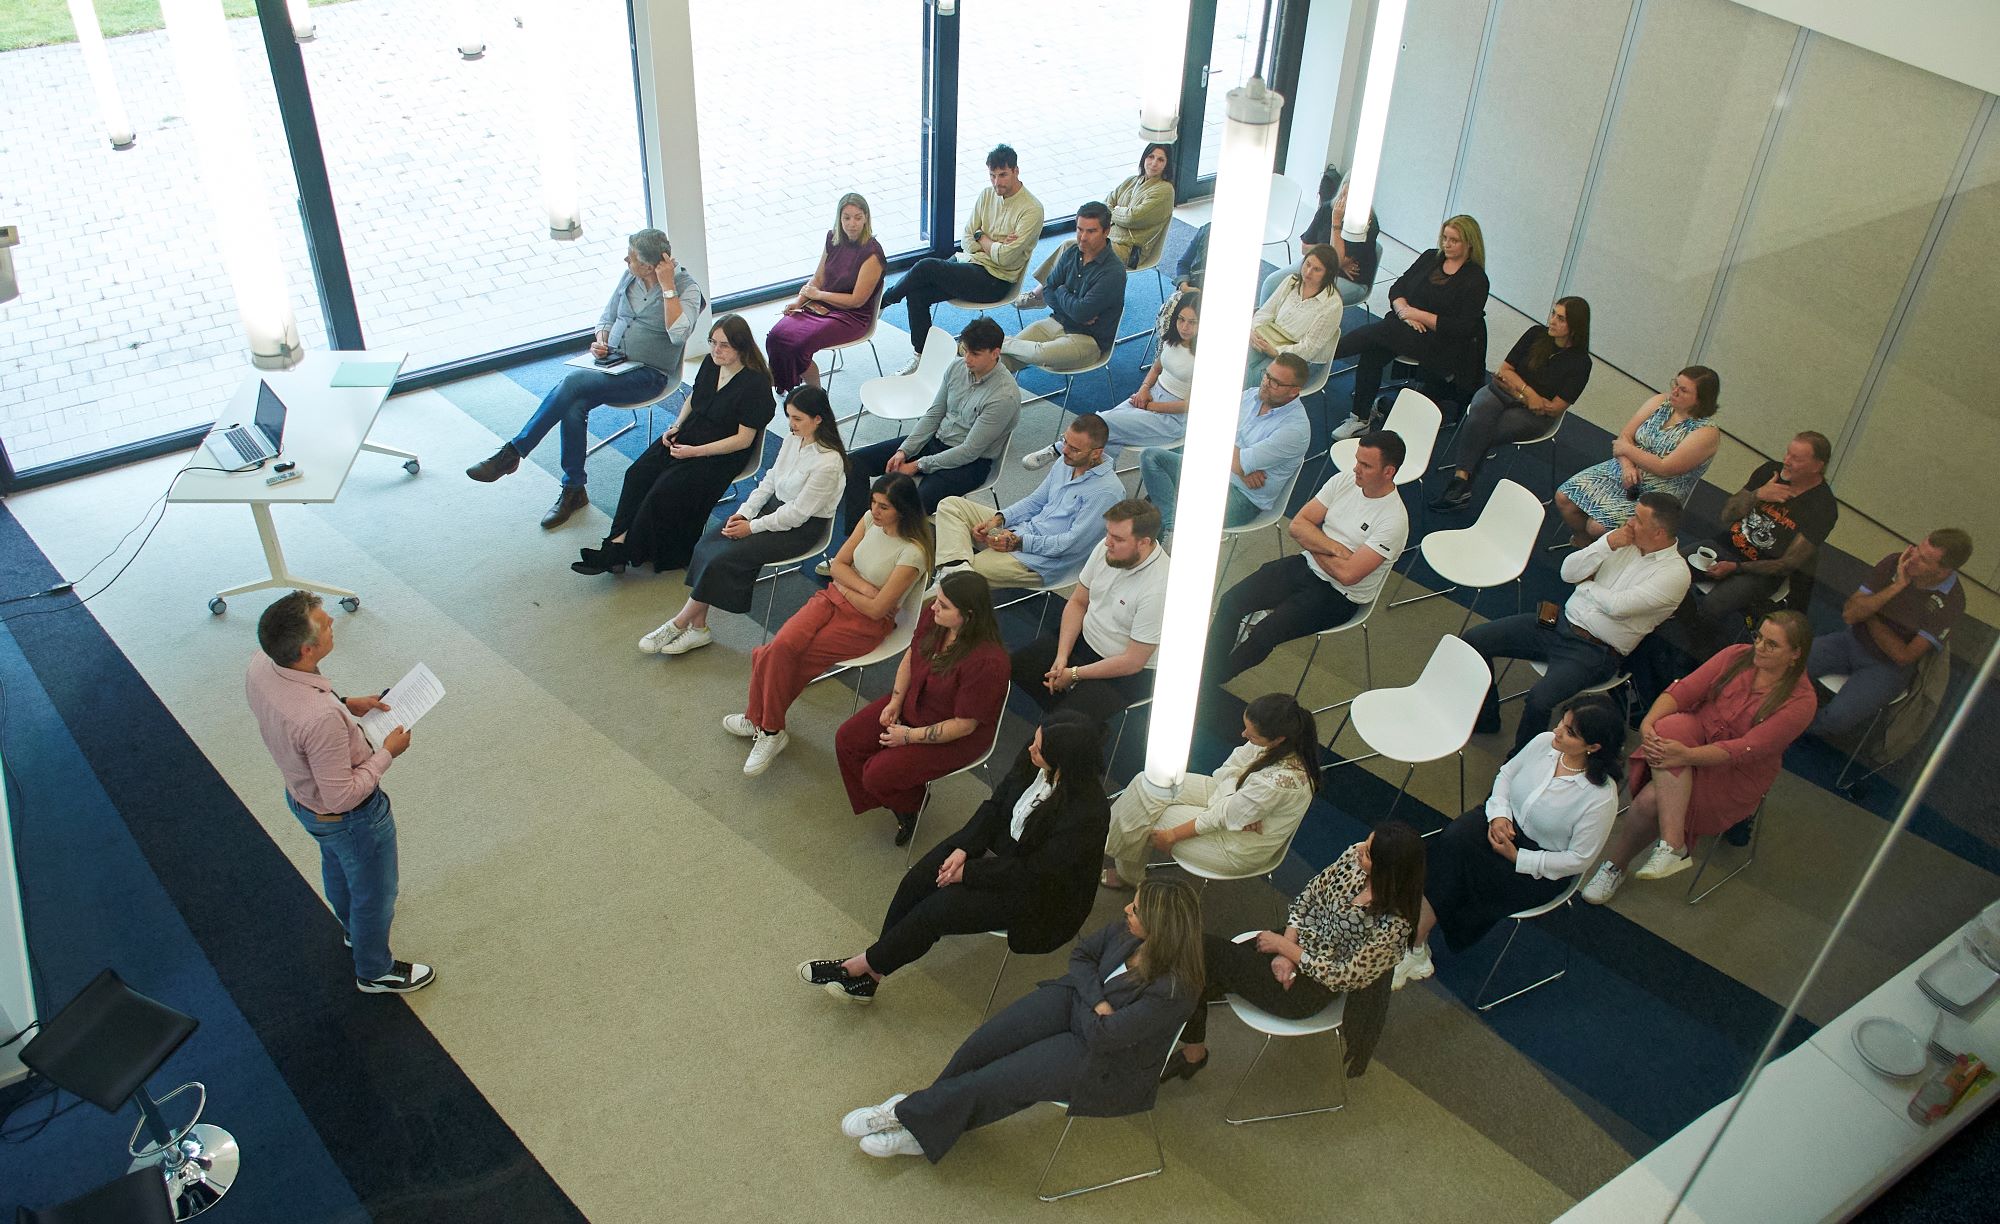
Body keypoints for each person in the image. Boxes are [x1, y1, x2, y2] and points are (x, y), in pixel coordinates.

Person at [838, 878, 1204, 1161]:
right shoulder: (1127, 931)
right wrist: (1096, 1000)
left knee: (999, 1078)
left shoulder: (1175, 989)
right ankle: (931, 1120)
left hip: (1101, 1058)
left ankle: (908, 1113)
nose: (1126, 908)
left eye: (1136, 909)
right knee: (983, 1045)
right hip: (1079, 1005)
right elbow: (1081, 957)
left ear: (1159, 926)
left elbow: (1104, 1038)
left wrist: (1088, 999)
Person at [802, 711, 1111, 1002]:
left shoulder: (1087, 815)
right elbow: (997, 803)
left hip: (1039, 893)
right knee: (916, 882)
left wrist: (968, 873)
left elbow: (1034, 873)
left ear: (1064, 763)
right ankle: (873, 975)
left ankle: (859, 966)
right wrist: (965, 847)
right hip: (1007, 849)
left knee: (939, 910)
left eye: (1040, 748)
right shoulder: (1035, 754)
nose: (1030, 748)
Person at [243, 591, 432, 994]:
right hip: (352, 819)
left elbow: (299, 715)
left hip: (302, 800)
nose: (332, 623)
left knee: (337, 866)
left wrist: (347, 704)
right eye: (325, 623)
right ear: (308, 649)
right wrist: (386, 754)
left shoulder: (262, 664)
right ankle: (374, 971)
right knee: (376, 895)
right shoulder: (321, 719)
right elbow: (342, 797)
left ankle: (351, 930)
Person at [467, 228, 706, 529]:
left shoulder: (686, 288)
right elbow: (607, 317)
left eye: (631, 258)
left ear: (648, 265)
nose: (625, 260)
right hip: (612, 363)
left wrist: (667, 287)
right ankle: (573, 489)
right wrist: (601, 339)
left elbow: (679, 335)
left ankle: (514, 453)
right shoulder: (630, 277)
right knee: (573, 404)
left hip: (650, 374)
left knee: (573, 385)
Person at [1160, 824, 1423, 1082]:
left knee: (1199, 956)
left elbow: (1344, 977)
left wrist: (1287, 950)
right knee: (1197, 968)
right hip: (1291, 941)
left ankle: (1177, 1040)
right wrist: (1285, 950)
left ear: (1388, 872)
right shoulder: (1354, 859)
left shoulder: (1395, 926)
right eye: (1365, 843)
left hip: (1310, 987)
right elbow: (1309, 895)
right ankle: (1185, 1043)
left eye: (1367, 853)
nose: (1358, 851)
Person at [1584, 612, 1815, 900]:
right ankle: (1672, 844)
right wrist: (1648, 724)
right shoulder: (1737, 655)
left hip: (1733, 772)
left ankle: (1620, 865)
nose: (1759, 647)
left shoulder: (1801, 702)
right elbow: (1684, 691)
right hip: (1697, 736)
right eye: (1759, 637)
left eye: (1772, 645)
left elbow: (1744, 749)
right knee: (1668, 725)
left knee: (1650, 800)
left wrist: (1686, 755)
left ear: (1795, 654)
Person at [1397, 698, 1622, 988]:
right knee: (1453, 841)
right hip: (1502, 822)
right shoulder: (1544, 743)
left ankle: (1414, 942)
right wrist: (1499, 816)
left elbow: (1579, 859)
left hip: (1538, 865)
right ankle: (1416, 943)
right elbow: (1506, 774)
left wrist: (1519, 858)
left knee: (1462, 868)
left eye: (1568, 732)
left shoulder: (1600, 797)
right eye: (1561, 723)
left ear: (1593, 747)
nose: (1556, 731)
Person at [727, 473, 932, 777]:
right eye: (873, 502)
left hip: (863, 624)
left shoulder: (913, 552)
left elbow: (877, 611)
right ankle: (766, 724)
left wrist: (846, 583)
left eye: (884, 507)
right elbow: (837, 565)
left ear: (903, 510)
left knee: (782, 659)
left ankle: (764, 725)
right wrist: (859, 587)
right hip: (831, 599)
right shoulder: (867, 520)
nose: (875, 511)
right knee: (778, 649)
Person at [1465, 491, 1690, 754]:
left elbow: (1619, 607)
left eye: (1638, 520)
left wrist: (1586, 588)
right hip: (1557, 622)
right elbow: (1568, 572)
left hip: (1594, 650)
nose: (1629, 522)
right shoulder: (1619, 540)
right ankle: (1486, 718)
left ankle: (1520, 761)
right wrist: (1605, 545)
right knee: (1474, 640)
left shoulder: (1674, 574)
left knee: (1539, 700)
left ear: (1659, 533)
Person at [638, 387, 847, 656]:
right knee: (707, 544)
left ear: (818, 419)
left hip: (802, 529)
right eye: (789, 417)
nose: (791, 425)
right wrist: (745, 513)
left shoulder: (829, 463)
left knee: (724, 557)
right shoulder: (793, 439)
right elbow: (770, 480)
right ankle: (698, 626)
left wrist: (752, 527)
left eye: (797, 419)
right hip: (772, 512)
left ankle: (679, 622)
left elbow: (797, 515)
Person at [571, 314, 775, 576]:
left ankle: (624, 551)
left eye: (724, 345)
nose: (716, 350)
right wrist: (676, 426)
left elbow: (743, 440)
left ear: (741, 347)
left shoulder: (755, 385)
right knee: (637, 474)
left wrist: (694, 452)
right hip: (692, 433)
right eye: (712, 342)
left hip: (721, 451)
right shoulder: (712, 363)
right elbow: (694, 396)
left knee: (663, 490)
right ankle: (616, 544)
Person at [1206, 430, 1408, 687]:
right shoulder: (1344, 481)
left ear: (1388, 472)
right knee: (1231, 601)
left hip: (1340, 596)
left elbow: (1348, 576)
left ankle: (1211, 681)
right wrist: (1331, 548)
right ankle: (1207, 670)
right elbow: (1298, 526)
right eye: (1357, 460)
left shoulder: (1393, 521)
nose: (1356, 469)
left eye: (1366, 465)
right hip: (1307, 565)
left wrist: (1313, 540)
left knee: (1266, 632)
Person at [834, 571, 1010, 846]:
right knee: (848, 740)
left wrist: (907, 737)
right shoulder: (935, 615)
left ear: (969, 615)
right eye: (938, 600)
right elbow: (911, 655)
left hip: (955, 735)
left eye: (944, 605)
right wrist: (895, 701)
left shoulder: (988, 663)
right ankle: (901, 794)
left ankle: (911, 803)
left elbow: (964, 725)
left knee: (875, 775)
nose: (934, 606)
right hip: (915, 700)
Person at [828, 318, 1019, 570]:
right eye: (964, 351)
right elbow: (933, 415)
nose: (967, 359)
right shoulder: (956, 368)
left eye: (975, 354)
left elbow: (970, 451)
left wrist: (918, 465)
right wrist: (904, 450)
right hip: (936, 442)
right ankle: (856, 544)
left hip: (970, 464)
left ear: (996, 353)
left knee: (909, 505)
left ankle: (883, 561)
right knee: (855, 463)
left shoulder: (1003, 396)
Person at [1101, 693, 1320, 890]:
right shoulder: (1273, 742)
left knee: (1150, 814)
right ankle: (1115, 850)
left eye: (1252, 736)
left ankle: (1128, 874)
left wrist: (1173, 835)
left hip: (1237, 845)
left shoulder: (1278, 782)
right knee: (1146, 782)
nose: (1244, 735)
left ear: (1278, 739)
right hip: (1227, 801)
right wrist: (1236, 806)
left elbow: (1223, 816)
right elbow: (1225, 771)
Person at [1670, 431, 1837, 658]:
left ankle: (1700, 650)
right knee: (1667, 569)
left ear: (1818, 466)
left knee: (1712, 606)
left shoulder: (1823, 508)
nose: (1787, 460)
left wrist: (1736, 568)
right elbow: (1727, 514)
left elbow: (1787, 564)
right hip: (1726, 546)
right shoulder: (1771, 472)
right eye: (1788, 453)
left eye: (1797, 458)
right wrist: (1758, 494)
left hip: (1762, 571)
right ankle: (1688, 624)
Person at [1010, 500, 1171, 728]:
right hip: (1087, 639)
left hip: (1124, 670)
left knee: (1056, 731)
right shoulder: (1107, 549)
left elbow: (1133, 662)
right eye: (1108, 533)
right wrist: (1062, 657)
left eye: (1118, 539)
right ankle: (1074, 714)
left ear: (1144, 542)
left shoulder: (1160, 588)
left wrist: (1074, 674)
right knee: (1014, 667)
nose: (1108, 542)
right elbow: (1077, 602)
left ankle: (1079, 724)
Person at [1330, 215, 1489, 442]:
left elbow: (1462, 327)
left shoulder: (1476, 280)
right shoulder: (1429, 258)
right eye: (1444, 238)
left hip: (1438, 341)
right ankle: (1360, 419)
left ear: (1470, 244)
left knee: (1379, 334)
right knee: (1374, 349)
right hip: (1402, 327)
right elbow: (1397, 288)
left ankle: (1326, 352)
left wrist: (1418, 315)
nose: (1446, 244)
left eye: (1454, 240)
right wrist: (1404, 312)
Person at [880, 145, 1044, 365]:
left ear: (1016, 171)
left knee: (926, 267)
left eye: (1003, 175)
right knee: (917, 293)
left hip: (996, 280)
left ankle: (885, 300)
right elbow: (967, 237)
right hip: (969, 263)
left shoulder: (1031, 209)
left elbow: (1005, 259)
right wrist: (989, 242)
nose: (997, 182)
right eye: (992, 176)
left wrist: (982, 238)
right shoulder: (987, 195)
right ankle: (922, 357)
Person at [1431, 299, 1594, 511]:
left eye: (1560, 318)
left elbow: (1554, 408)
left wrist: (1515, 388)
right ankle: (1461, 482)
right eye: (1553, 314)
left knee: (1485, 428)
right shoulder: (1536, 334)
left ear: (1575, 327)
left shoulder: (1580, 363)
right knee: (1480, 413)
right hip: (1504, 394)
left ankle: (1460, 484)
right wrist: (1529, 395)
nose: (1552, 321)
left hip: (1534, 415)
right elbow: (1505, 369)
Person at [1807, 529, 1971, 738]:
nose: (1912, 558)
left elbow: (1904, 656)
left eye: (1923, 560)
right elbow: (1850, 614)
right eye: (1916, 549)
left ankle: (1797, 734)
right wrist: (1897, 586)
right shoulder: (1895, 562)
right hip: (1851, 640)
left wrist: (1870, 614)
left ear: (1942, 572)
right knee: (1785, 664)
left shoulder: (1952, 601)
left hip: (1887, 668)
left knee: (1836, 720)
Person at [932, 413, 1123, 590]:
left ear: (1096, 453)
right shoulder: (1066, 462)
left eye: (1074, 449)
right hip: (1020, 533)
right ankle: (953, 569)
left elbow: (1070, 544)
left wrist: (1019, 543)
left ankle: (951, 575)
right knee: (951, 506)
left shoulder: (1107, 493)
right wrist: (999, 519)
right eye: (1064, 440)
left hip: (1041, 560)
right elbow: (1035, 501)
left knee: (961, 581)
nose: (1064, 450)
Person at [1139, 353, 1313, 537]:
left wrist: (1236, 464)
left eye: (1275, 383)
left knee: (1156, 509)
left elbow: (1228, 452)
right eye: (1266, 375)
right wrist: (1241, 469)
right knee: (1151, 457)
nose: (1266, 383)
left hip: (1241, 496)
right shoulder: (1251, 395)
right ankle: (1172, 525)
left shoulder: (1294, 430)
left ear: (1294, 391)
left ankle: (1169, 525)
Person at [1023, 291, 1200, 471]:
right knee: (1105, 435)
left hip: (1174, 417)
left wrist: (1150, 406)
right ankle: (1096, 478)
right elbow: (1156, 368)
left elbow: (1193, 405)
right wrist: (1144, 389)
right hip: (1151, 395)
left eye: (1192, 322)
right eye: (1181, 319)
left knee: (1103, 424)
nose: (1184, 327)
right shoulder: (1174, 339)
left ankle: (1059, 449)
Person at [1555, 367, 1721, 544]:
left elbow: (1664, 468)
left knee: (1597, 527)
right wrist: (1627, 466)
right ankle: (1585, 544)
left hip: (1658, 491)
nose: (1674, 391)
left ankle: (1599, 551)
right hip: (1624, 468)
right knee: (1564, 497)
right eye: (1675, 384)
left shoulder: (1706, 433)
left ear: (1701, 399)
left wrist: (1626, 449)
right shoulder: (1660, 402)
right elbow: (1626, 435)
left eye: (1683, 390)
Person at [765, 193, 887, 393]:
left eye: (858, 217)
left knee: (797, 346)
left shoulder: (872, 253)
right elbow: (818, 279)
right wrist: (799, 301)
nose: (852, 224)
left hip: (852, 316)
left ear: (866, 218)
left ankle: (815, 398)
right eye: (846, 217)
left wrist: (818, 295)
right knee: (775, 337)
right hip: (820, 304)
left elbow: (857, 301)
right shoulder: (833, 238)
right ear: (839, 218)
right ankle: (786, 380)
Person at [1002, 202, 1127, 375]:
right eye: (1079, 229)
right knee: (1000, 360)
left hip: (1088, 340)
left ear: (1106, 232)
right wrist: (1073, 307)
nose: (1082, 237)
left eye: (1091, 231)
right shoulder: (1071, 253)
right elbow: (1047, 291)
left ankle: (995, 342)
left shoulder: (1113, 272)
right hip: (1056, 322)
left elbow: (1078, 311)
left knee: (1038, 352)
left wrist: (1060, 291)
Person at [1261, 170, 1379, 307]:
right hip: (1315, 263)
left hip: (1349, 280)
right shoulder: (1327, 208)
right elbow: (1305, 248)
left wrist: (1336, 222)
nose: (1344, 200)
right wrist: (1332, 255)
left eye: (1351, 198)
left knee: (1307, 296)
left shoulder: (1367, 224)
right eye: (1344, 193)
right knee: (1271, 283)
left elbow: (1335, 262)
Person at [1242, 244, 1344, 389]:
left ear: (1328, 273)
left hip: (1299, 359)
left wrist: (1277, 352)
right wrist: (1254, 331)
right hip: (1270, 338)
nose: (1308, 272)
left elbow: (1309, 348)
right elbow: (1266, 312)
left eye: (1317, 270)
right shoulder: (1291, 281)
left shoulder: (1332, 305)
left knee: (1259, 377)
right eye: (1308, 264)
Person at [1107, 143, 1176, 268]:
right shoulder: (1131, 181)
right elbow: (1104, 205)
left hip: (1129, 251)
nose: (1154, 163)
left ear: (1167, 165)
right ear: (1144, 157)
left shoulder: (1164, 190)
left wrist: (1114, 210)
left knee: (1082, 253)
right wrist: (1121, 212)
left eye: (1160, 160)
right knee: (1069, 246)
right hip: (1108, 239)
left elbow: (1132, 218)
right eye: (1151, 156)